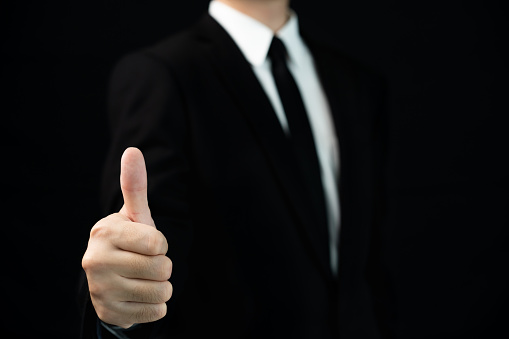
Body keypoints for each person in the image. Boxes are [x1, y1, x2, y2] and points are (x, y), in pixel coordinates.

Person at [79, 0, 387, 338]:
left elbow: (375, 261)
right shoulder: (163, 74)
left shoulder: (355, 82)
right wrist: (120, 301)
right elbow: (141, 250)